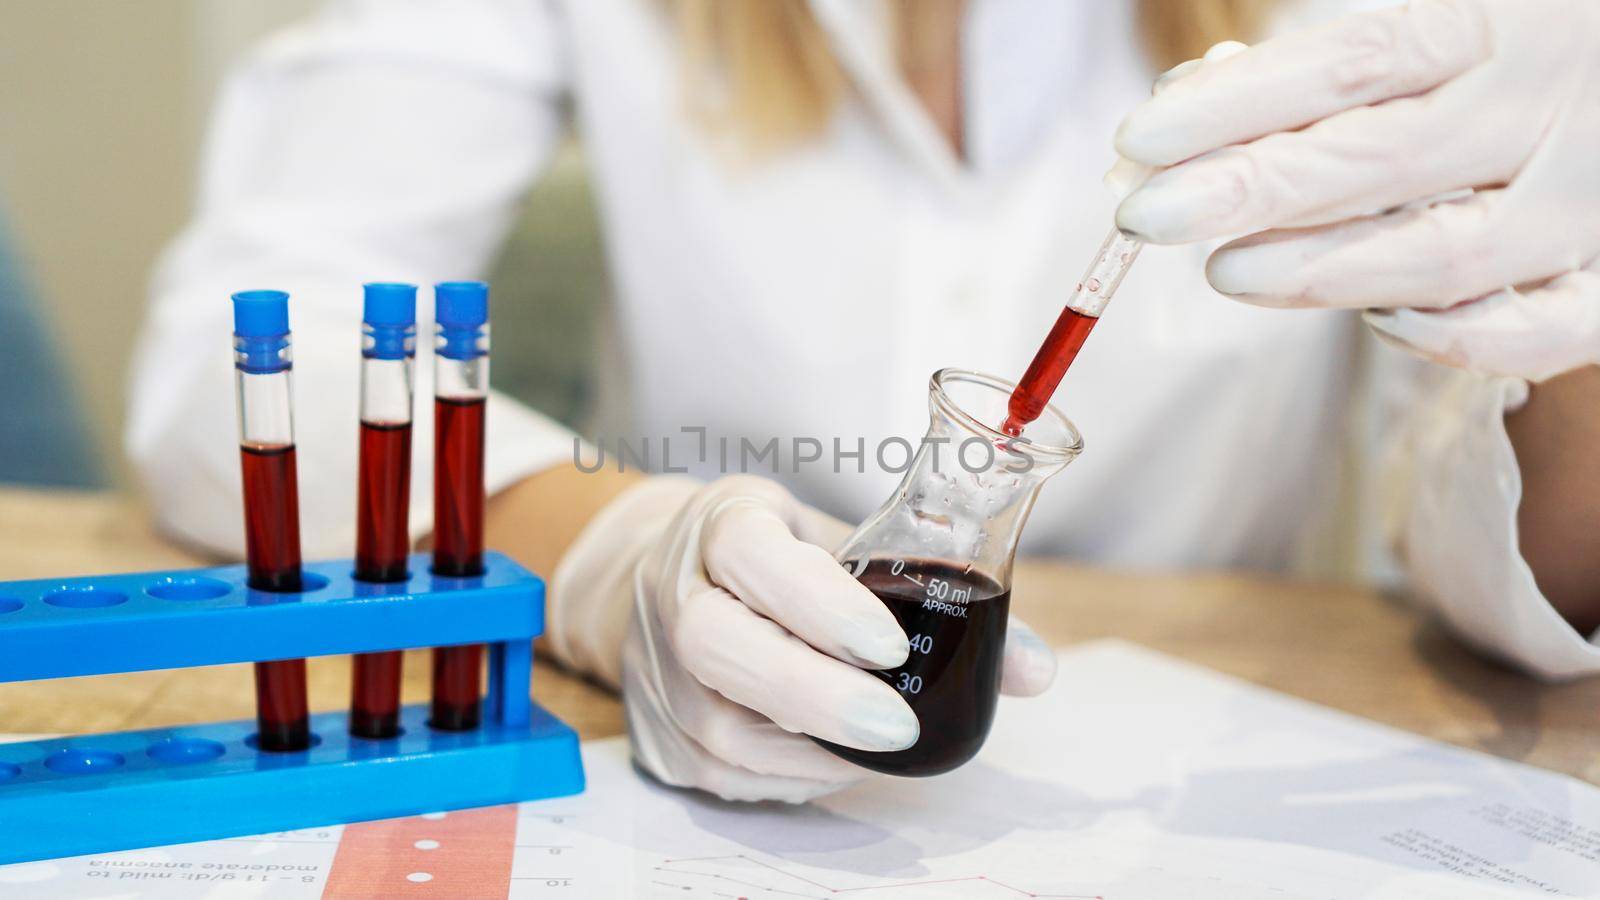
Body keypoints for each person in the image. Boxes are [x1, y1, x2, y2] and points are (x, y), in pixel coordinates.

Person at [128, 0, 1600, 803]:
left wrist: (1575, 290)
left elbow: (1517, 567)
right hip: (705, 772)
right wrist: (616, 553)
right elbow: (237, 364)